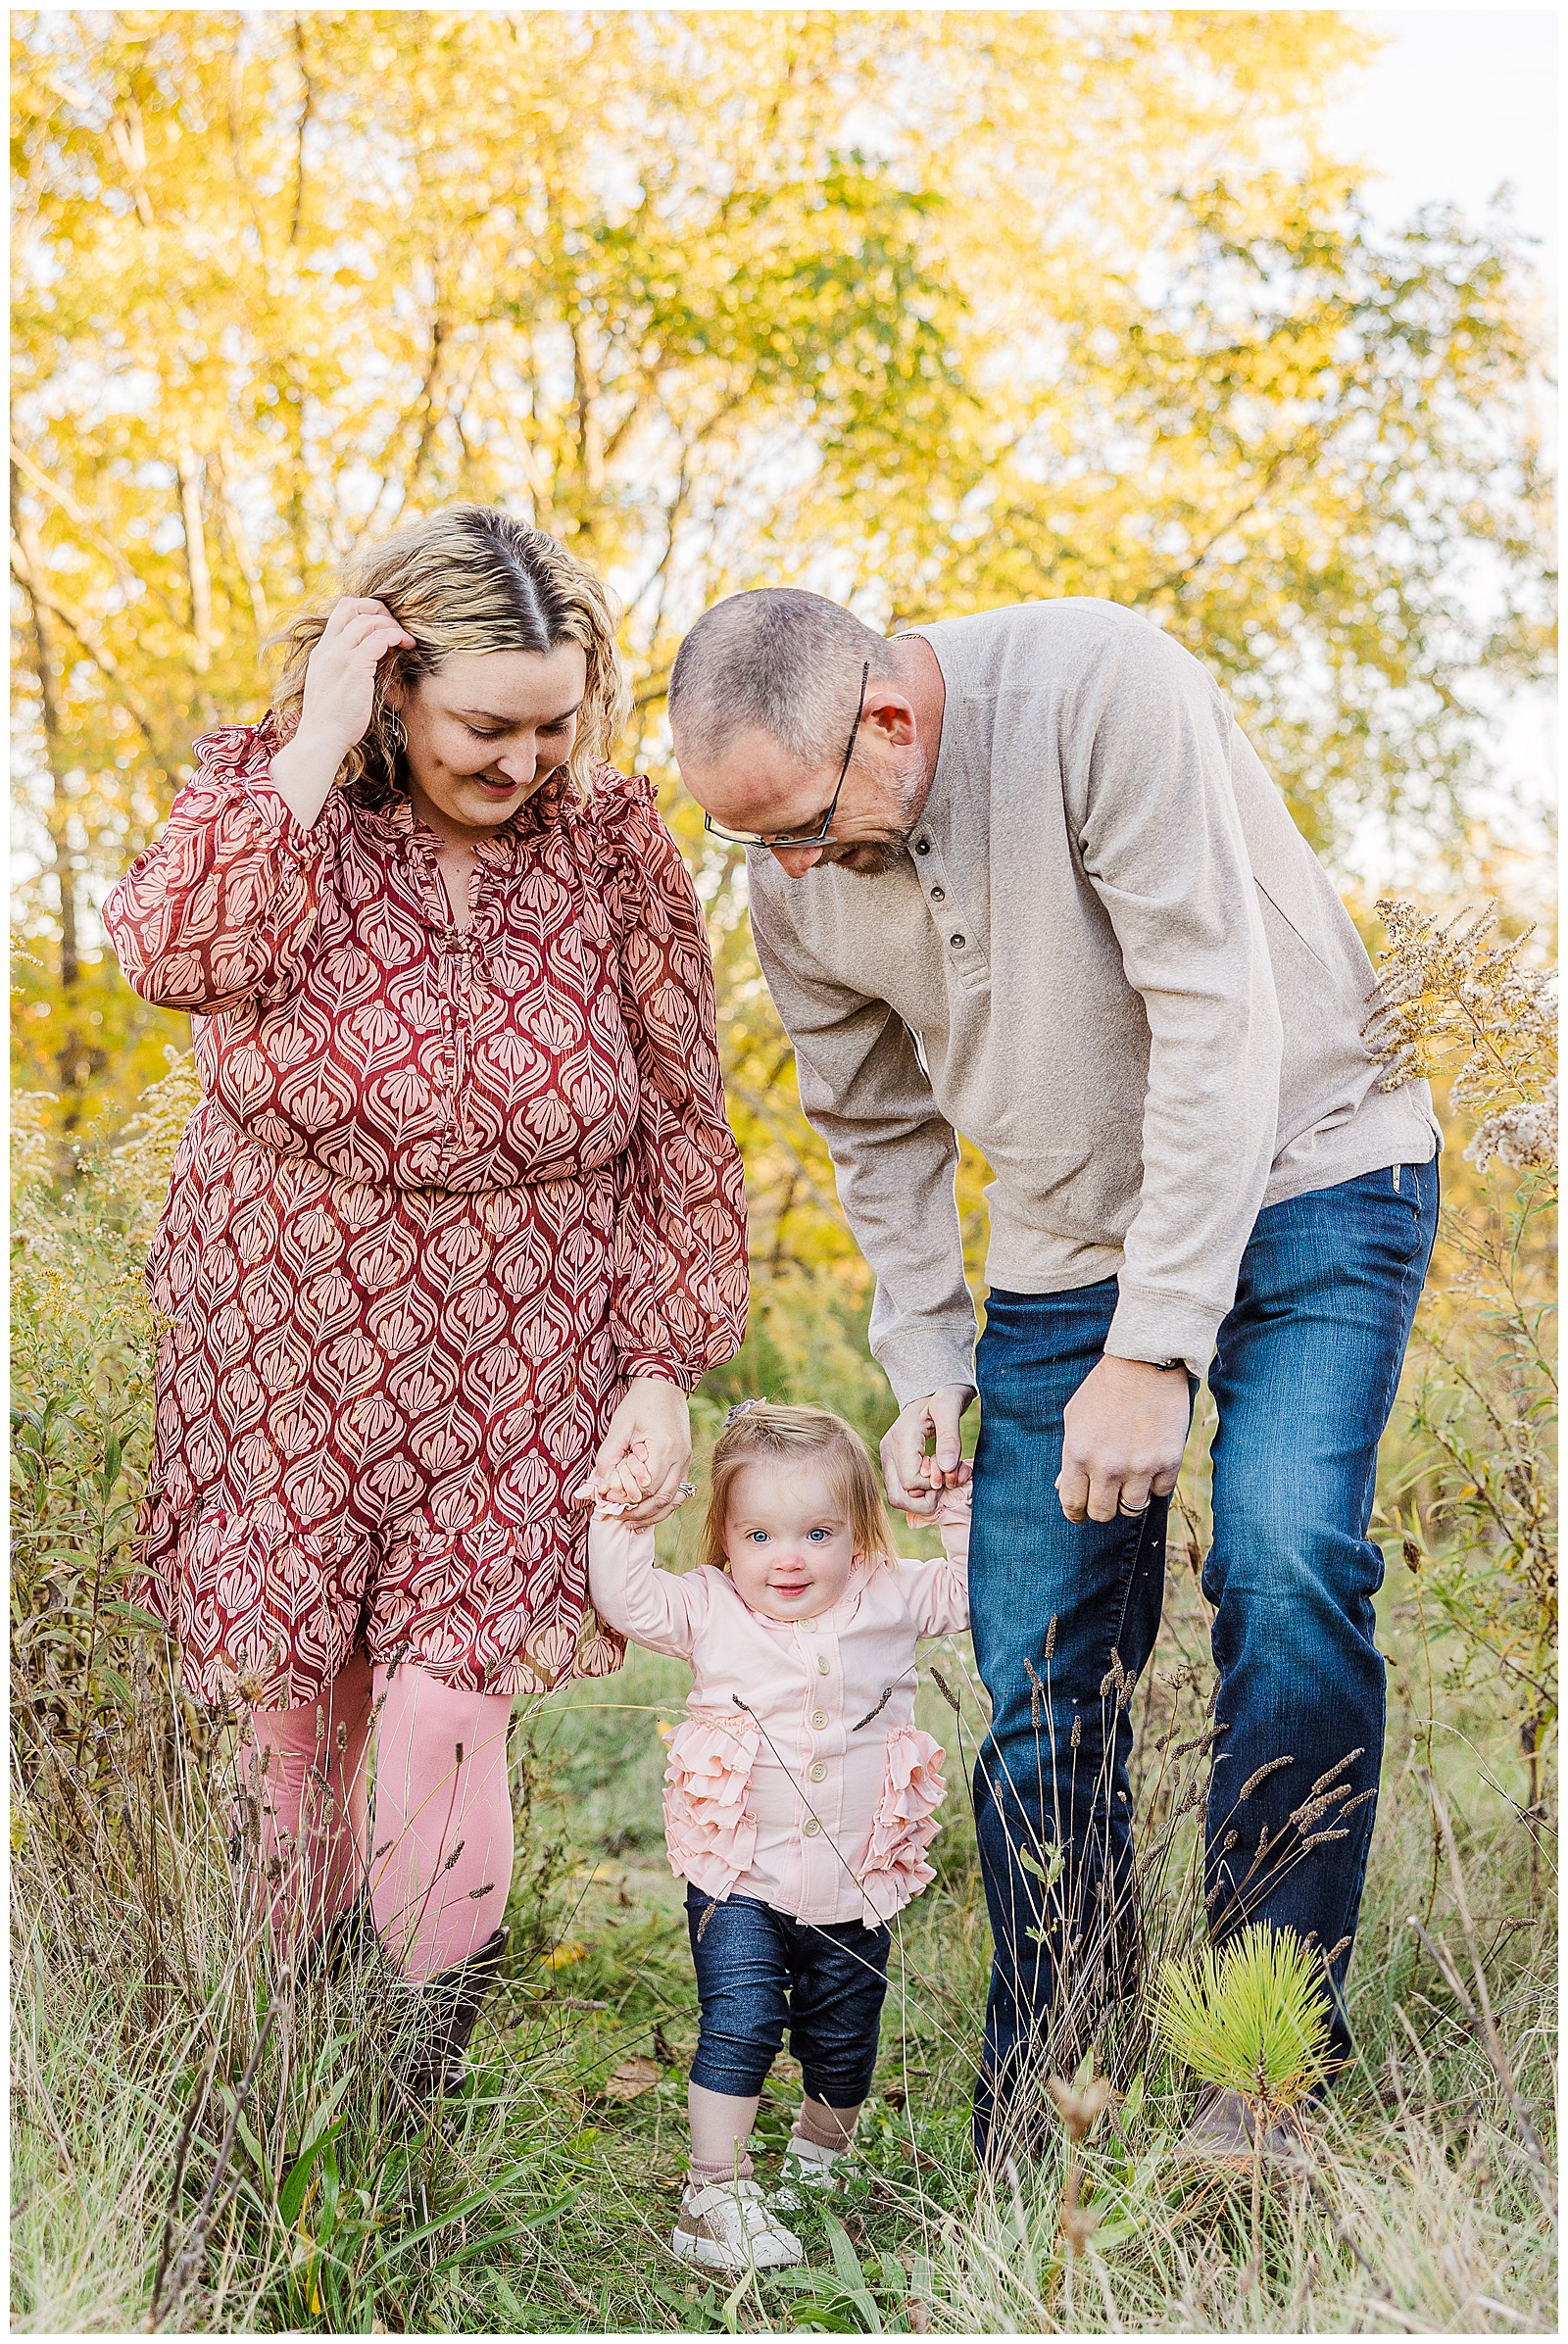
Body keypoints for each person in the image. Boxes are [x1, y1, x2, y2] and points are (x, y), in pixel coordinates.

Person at [665, 587, 1441, 2163]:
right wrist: (932, 1349)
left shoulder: (1103, 688)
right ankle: (1061, 2089)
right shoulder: (794, 870)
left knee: (1286, 1563)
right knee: (1035, 1665)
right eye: (753, 848)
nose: (791, 874)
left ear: (889, 722)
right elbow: (876, 1126)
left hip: (1313, 1176)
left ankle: (1258, 2071)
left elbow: (1215, 1016)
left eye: (804, 829)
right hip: (1064, 1240)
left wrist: (1153, 1348)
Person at [103, 505, 747, 2102]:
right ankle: (276, 2084)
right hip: (283, 1333)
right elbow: (168, 952)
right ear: (390, 681)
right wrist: (313, 739)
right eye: (484, 721)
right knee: (294, 1721)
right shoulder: (270, 792)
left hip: (526, 1348)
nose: (525, 756)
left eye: (554, 720)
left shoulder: (612, 843)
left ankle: (401, 2103)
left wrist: (660, 1366)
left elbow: (683, 1108)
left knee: (448, 1714)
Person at [582, 1402, 970, 2272]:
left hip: (856, 1885)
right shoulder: (712, 1607)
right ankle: (713, 2192)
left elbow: (977, 1588)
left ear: (860, 1531)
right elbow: (628, 1597)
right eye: (758, 1535)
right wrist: (626, 1511)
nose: (787, 1558)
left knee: (844, 2043)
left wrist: (950, 1507)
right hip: (739, 1881)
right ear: (722, 1536)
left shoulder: (890, 1593)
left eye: (817, 1533)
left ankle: (813, 2173)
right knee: (743, 2019)